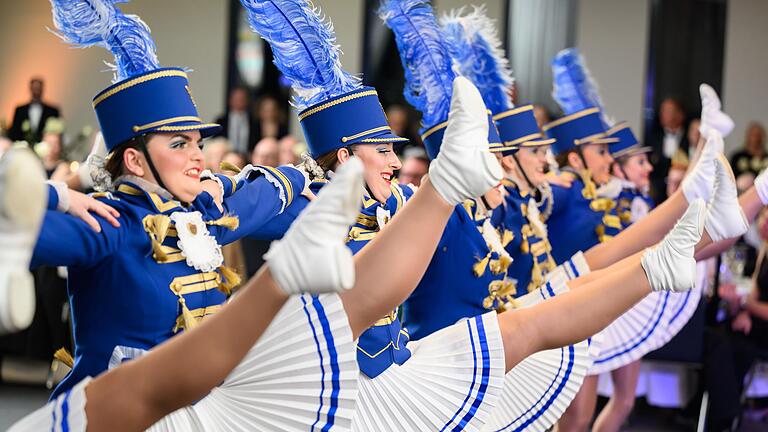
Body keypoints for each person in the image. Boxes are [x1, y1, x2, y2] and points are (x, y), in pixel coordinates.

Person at [706, 207, 768, 431]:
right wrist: (743, 310)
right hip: (757, 325)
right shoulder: (764, 251)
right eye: (761, 218)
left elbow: (752, 301)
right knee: (721, 335)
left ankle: (724, 413)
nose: (762, 224)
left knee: (721, 342)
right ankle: (721, 410)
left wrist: (744, 305)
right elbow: (755, 295)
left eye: (767, 220)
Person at [647, 97, 689, 202]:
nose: (662, 114)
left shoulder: (689, 138)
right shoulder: (653, 138)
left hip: (682, 192)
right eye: (662, 111)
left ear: (680, 115)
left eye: (668, 111)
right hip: (656, 194)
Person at [8, 77, 61, 143]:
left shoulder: (52, 111)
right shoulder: (20, 110)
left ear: (42, 89)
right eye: (34, 88)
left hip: (46, 149)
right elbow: (14, 132)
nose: (36, 90)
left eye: (38, 88)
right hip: (24, 149)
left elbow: (57, 134)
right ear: (30, 89)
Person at [214, 88, 254, 155]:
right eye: (236, 99)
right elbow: (216, 140)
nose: (239, 102)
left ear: (247, 101)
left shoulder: (254, 121)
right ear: (230, 101)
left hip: (247, 159)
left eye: (242, 99)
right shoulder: (221, 121)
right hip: (226, 157)